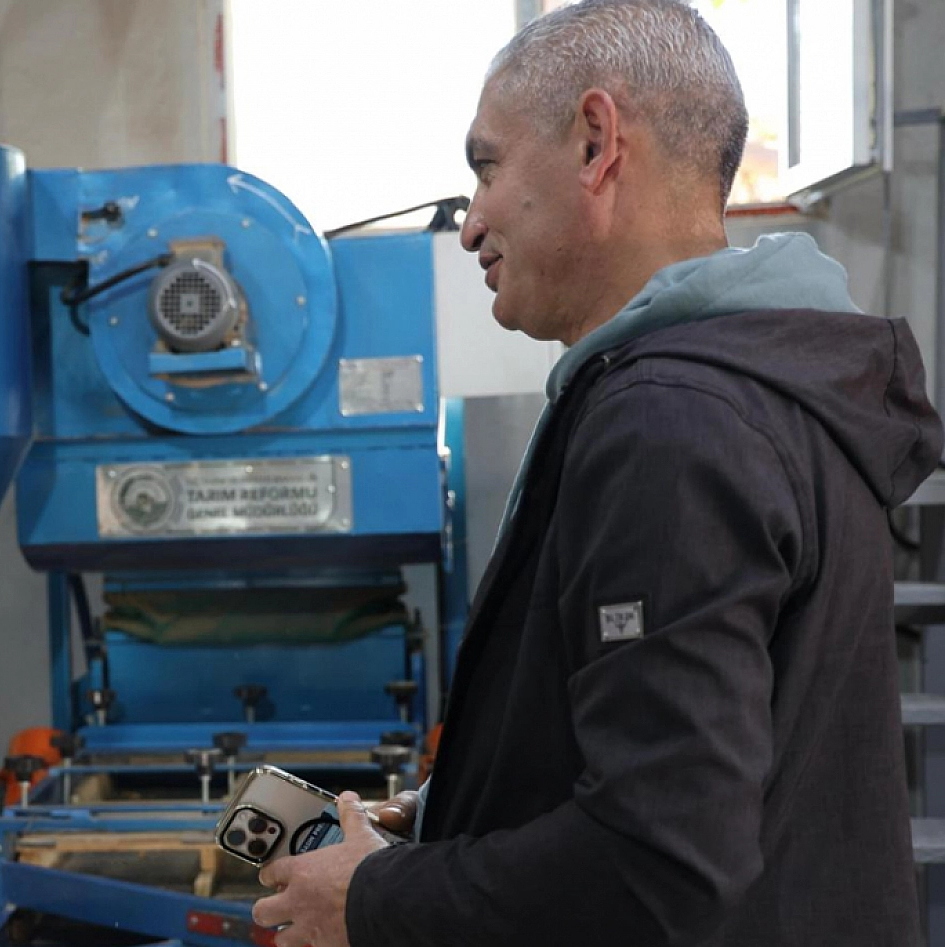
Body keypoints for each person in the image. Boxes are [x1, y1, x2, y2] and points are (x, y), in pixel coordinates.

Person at [253, 1, 944, 945]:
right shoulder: (775, 385)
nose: (469, 225)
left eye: (485, 167)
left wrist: (373, 900)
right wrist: (454, 811)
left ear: (594, 143)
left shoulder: (675, 426)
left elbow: (658, 861)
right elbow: (699, 774)